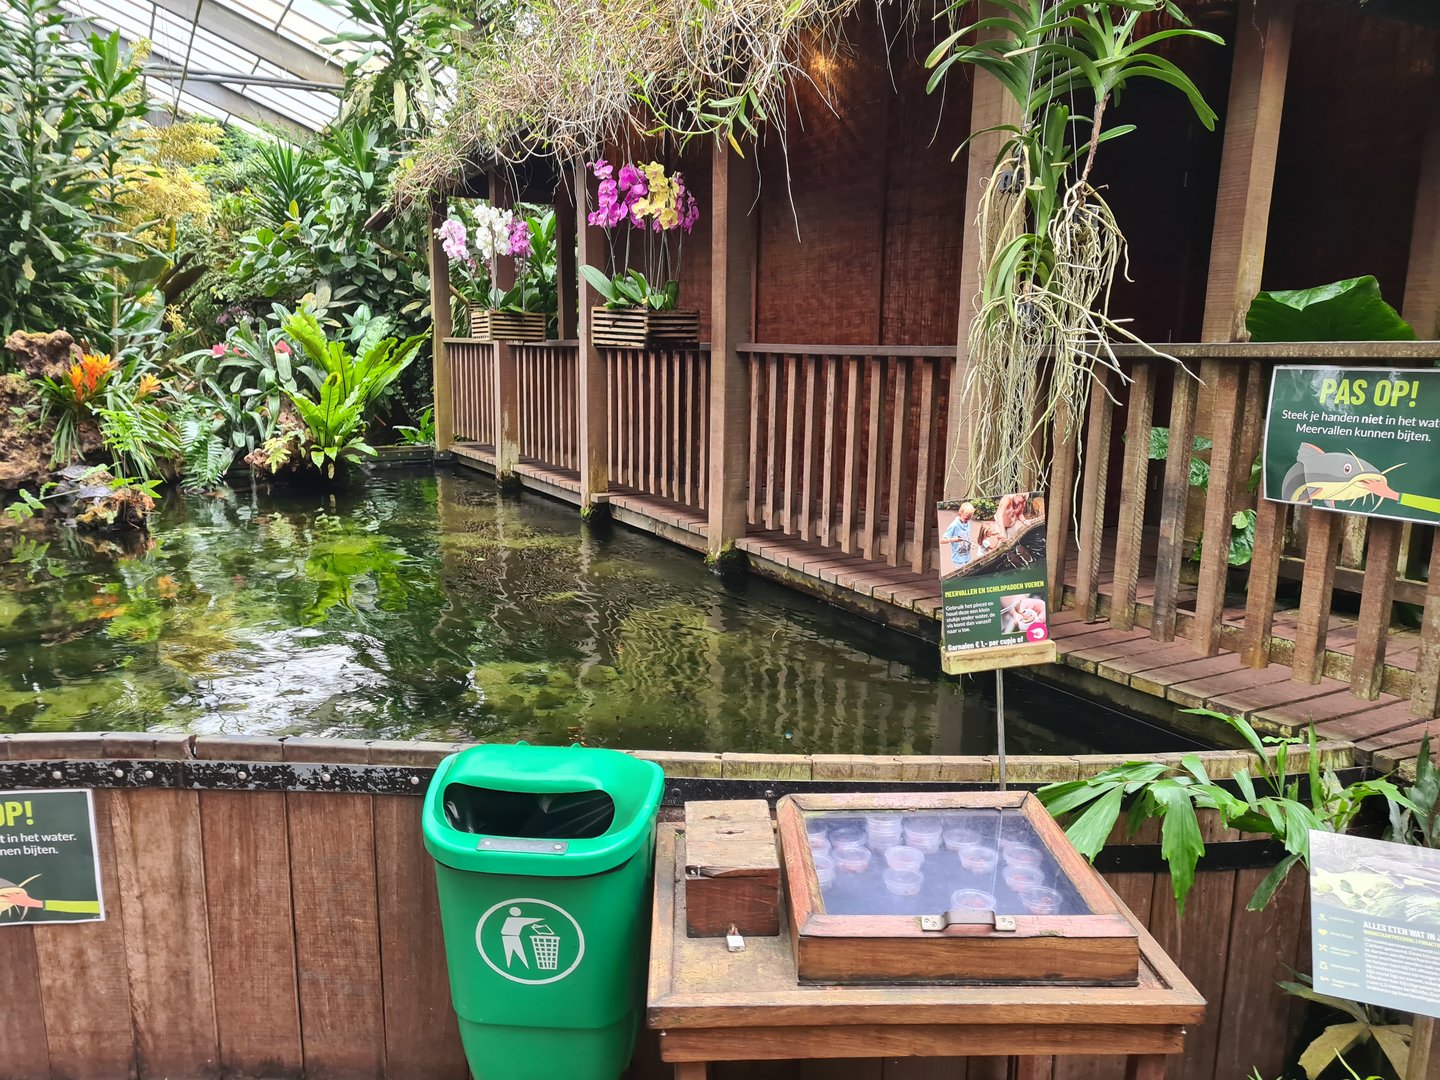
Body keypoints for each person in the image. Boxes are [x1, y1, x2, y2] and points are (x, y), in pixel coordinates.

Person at [942, 503, 976, 570]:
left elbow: (966, 537)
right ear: (960, 513)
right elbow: (942, 540)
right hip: (958, 559)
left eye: (969, 518)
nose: (967, 521)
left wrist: (971, 543)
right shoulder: (954, 525)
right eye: (966, 519)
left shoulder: (967, 522)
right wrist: (954, 539)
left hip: (968, 557)